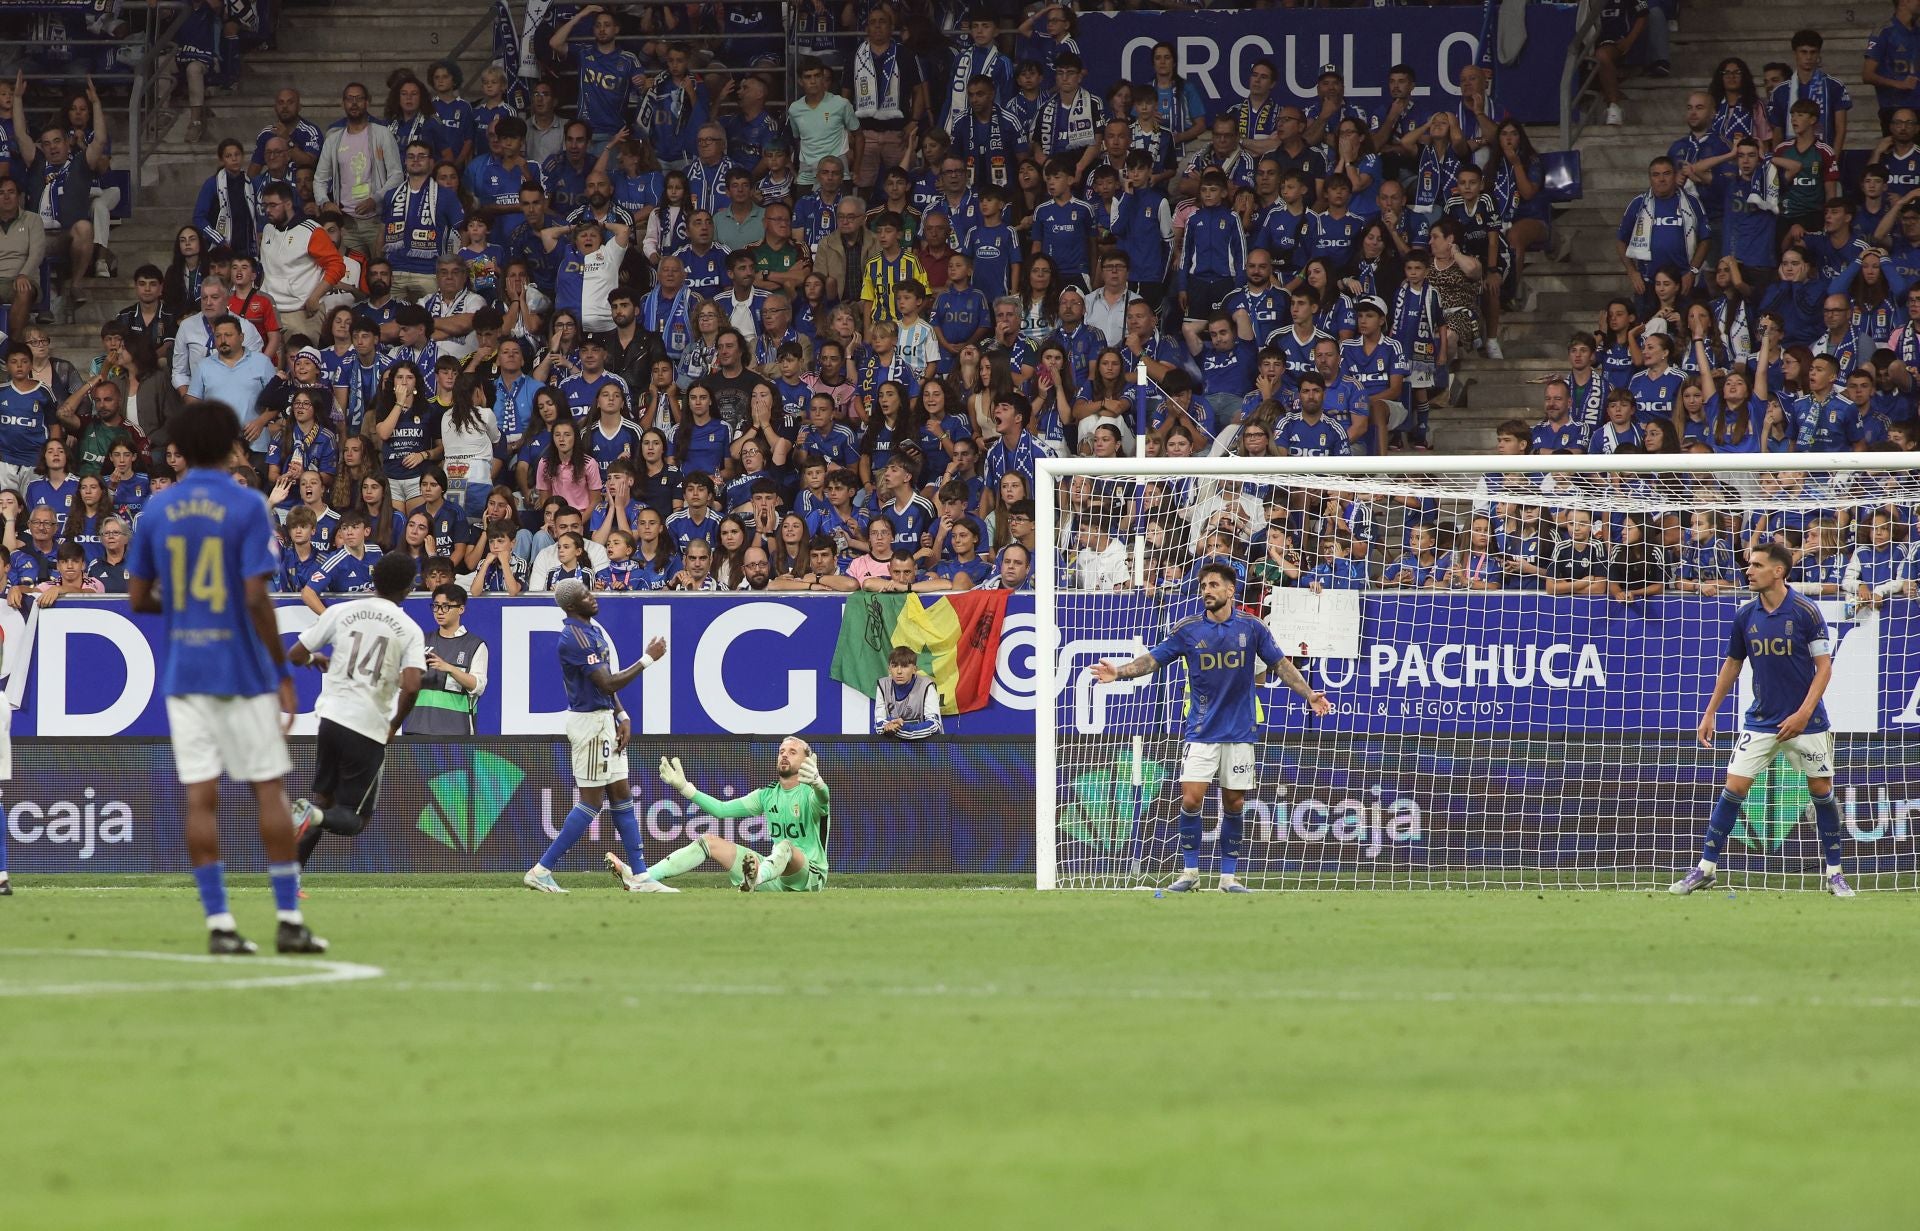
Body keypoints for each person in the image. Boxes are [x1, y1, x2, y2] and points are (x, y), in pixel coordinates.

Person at [126, 399, 325, 955]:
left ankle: (219, 925)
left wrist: (189, 603)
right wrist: (281, 668)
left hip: (185, 670)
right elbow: (255, 594)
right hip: (241, 667)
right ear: (233, 444)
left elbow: (139, 598)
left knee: (201, 799)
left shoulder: (157, 512)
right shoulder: (247, 504)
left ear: (181, 449)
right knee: (268, 789)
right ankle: (288, 918)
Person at [1091, 563, 1332, 892]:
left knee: (1234, 803)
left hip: (1240, 732)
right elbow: (1154, 659)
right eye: (1204, 585)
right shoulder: (1188, 630)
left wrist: (1309, 694)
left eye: (1214, 585)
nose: (1207, 590)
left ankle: (1228, 878)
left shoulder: (1253, 627)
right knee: (1190, 800)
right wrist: (1118, 672)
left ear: (1230, 591)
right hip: (1201, 731)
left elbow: (1280, 664)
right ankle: (1190, 874)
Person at [1672, 541, 1853, 897]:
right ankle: (1706, 868)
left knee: (1820, 790)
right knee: (1734, 787)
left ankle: (1834, 874)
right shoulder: (1745, 614)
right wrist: (1710, 711)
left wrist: (1802, 714)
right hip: (1762, 721)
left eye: (1756, 565)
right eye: (1749, 565)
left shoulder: (1805, 611)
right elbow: (1733, 664)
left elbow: (1824, 668)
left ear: (1778, 571)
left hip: (1808, 721)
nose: (1748, 570)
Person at [523, 578, 670, 894]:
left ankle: (640, 876)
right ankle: (541, 870)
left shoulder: (593, 630)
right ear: (572, 605)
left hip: (604, 719)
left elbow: (603, 683)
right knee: (591, 801)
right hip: (589, 724)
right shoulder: (573, 638)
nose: (593, 597)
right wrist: (648, 659)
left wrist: (622, 714)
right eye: (585, 595)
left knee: (620, 793)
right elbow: (607, 683)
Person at [288, 552, 426, 868]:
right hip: (367, 725)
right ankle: (310, 815)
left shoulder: (340, 611)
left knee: (323, 800)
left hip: (331, 718)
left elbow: (295, 654)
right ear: (408, 588)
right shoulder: (408, 628)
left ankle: (291, 876)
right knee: (355, 818)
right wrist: (393, 725)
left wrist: (314, 660)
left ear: (374, 579)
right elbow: (413, 685)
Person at [607, 739, 830, 893]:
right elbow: (721, 810)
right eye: (781, 751)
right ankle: (641, 877)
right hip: (774, 876)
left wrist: (818, 783)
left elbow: (823, 799)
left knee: (785, 846)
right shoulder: (767, 795)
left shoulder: (810, 792)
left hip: (809, 877)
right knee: (709, 842)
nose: (784, 755)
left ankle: (756, 877)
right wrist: (685, 788)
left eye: (792, 752)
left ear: (807, 761)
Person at [873, 644, 942, 740]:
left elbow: (934, 725)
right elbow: (879, 724)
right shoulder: (883, 685)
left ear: (914, 669)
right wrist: (888, 724)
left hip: (925, 748)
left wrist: (901, 727)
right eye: (894, 666)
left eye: (904, 666)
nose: (899, 671)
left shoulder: (926, 686)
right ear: (889, 669)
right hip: (895, 750)